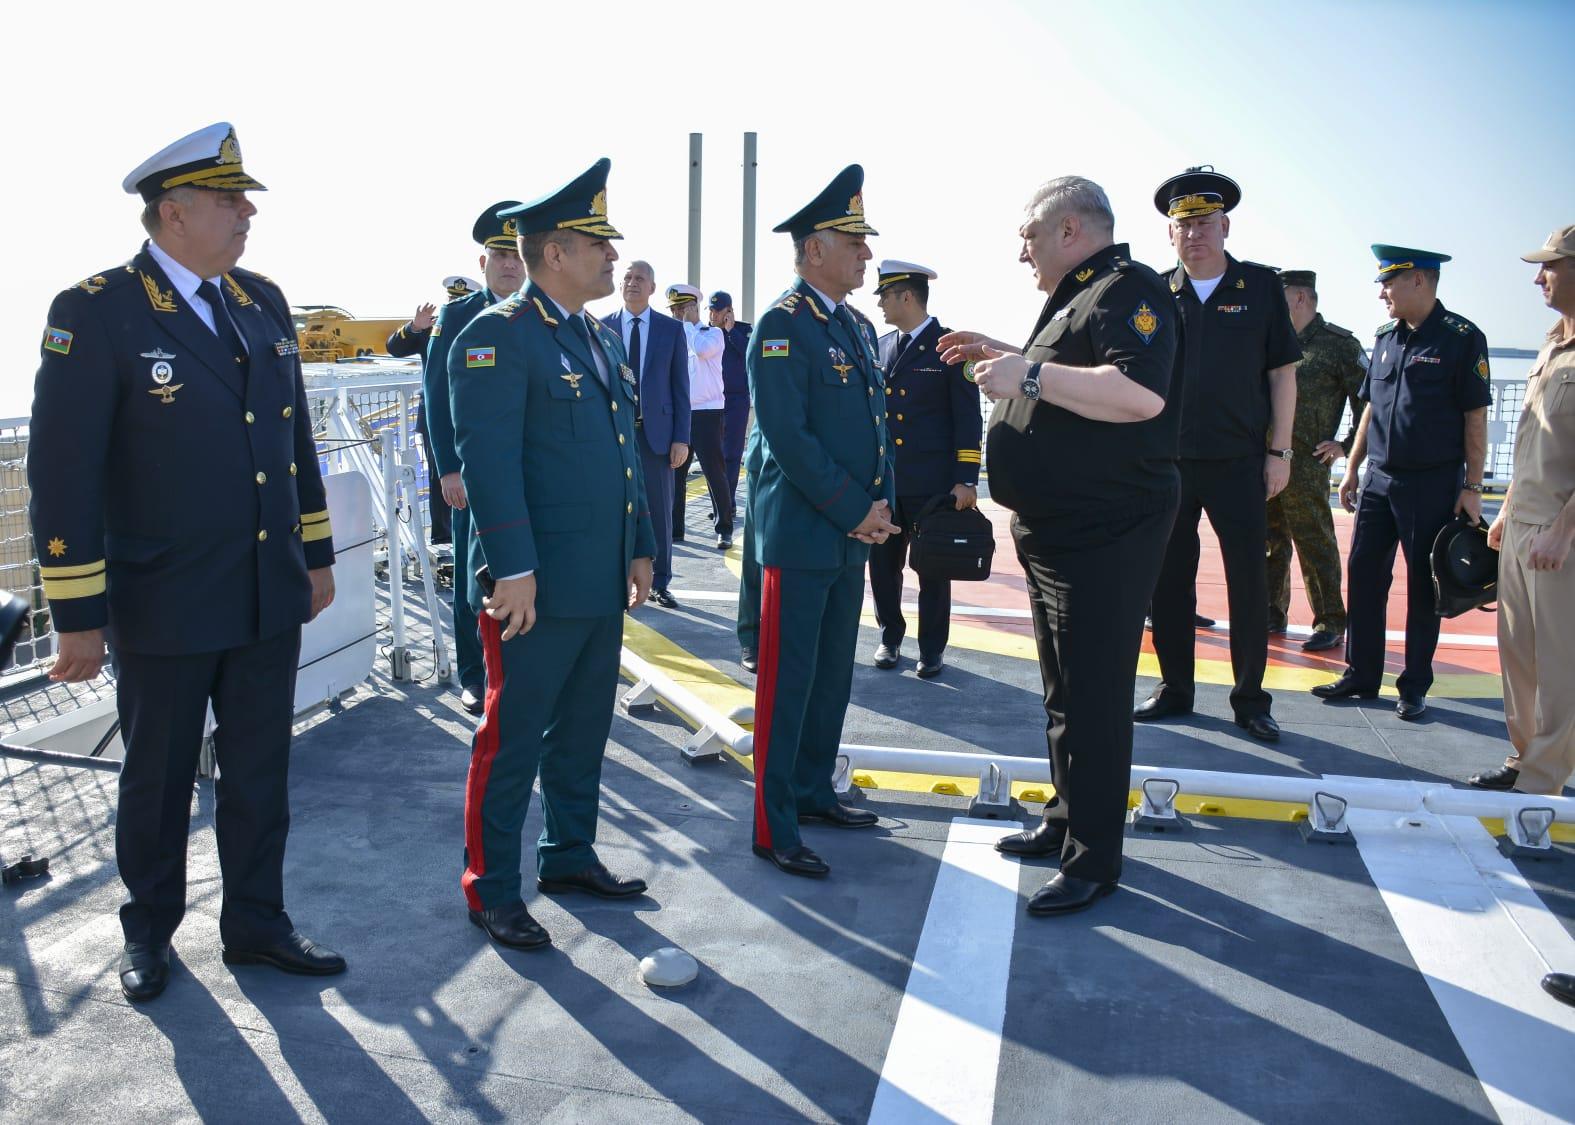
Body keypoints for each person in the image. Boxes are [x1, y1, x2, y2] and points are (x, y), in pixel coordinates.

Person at [29, 122, 344, 1001]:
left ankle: (256, 922)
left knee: (259, 772)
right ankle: (149, 934)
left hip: (262, 591)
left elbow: (295, 443)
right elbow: (62, 469)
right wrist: (78, 613)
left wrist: (314, 554)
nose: (246, 213)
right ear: (173, 213)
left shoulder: (260, 302)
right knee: (158, 779)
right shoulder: (96, 309)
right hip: (161, 597)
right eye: (228, 200)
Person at [942, 176, 1179, 916]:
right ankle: (1065, 820)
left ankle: (1092, 860)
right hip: (1056, 529)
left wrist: (1030, 373)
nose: (1022, 253)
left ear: (1070, 230)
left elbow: (1139, 394)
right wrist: (1009, 354)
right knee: (1062, 692)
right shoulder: (1081, 295)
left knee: (1095, 697)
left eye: (1029, 237)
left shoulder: (1125, 290)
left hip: (1103, 531)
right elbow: (1075, 382)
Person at [447, 158, 655, 951]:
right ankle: (492, 888)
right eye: (597, 244)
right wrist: (513, 570)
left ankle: (568, 855)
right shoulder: (496, 336)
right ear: (555, 253)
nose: (612, 257)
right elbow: (490, 461)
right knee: (511, 740)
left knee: (579, 734)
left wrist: (637, 548)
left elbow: (621, 455)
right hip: (531, 587)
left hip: (597, 580)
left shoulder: (592, 338)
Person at [748, 164, 898, 879]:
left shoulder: (858, 328)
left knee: (831, 675)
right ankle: (773, 824)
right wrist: (852, 509)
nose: (866, 254)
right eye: (854, 241)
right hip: (804, 534)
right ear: (813, 250)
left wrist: (878, 509)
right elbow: (789, 436)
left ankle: (810, 791)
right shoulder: (781, 325)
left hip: (848, 535)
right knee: (787, 682)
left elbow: (872, 426)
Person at [1136, 167, 1300, 743]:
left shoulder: (1259, 288)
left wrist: (1279, 452)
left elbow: (1282, 377)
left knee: (1248, 582)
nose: (1194, 234)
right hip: (1169, 461)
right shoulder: (1156, 293)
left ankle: (1251, 700)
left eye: (1204, 223)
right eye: (1183, 225)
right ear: (1170, 235)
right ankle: (1175, 687)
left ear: (1225, 226)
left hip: (1239, 462)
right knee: (1168, 580)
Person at [1313, 246, 1492, 720]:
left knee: (1422, 585)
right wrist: (1352, 469)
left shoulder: (1461, 338)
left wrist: (1472, 486)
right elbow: (1371, 406)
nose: (1381, 293)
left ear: (1419, 280)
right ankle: (1362, 674)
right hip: (1379, 479)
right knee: (1365, 575)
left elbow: (1475, 416)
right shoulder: (1385, 337)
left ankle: (1413, 685)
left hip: (1432, 483)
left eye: (1389, 283)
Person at [1472, 226, 1575, 793]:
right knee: (1519, 656)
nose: (1539, 278)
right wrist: (1508, 508)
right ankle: (1524, 758)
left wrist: (1562, 531)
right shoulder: (1551, 345)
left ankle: (1544, 779)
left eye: (1550, 267)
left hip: (1563, 532)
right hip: (1523, 525)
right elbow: (1531, 441)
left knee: (1562, 663)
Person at [419, 202, 525, 715]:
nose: (510, 264)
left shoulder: (538, 315)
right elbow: (435, 397)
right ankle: (472, 674)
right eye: (500, 254)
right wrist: (448, 468)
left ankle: (521, 674)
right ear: (482, 263)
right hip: (473, 475)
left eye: (516, 254)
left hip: (529, 473)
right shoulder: (457, 316)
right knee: (471, 576)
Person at [867, 260, 982, 678]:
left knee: (933, 567)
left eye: (885, 295)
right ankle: (889, 637)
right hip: (888, 482)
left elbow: (969, 418)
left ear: (907, 296)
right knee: (883, 565)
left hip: (933, 485)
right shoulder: (878, 347)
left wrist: (966, 479)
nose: (879, 303)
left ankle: (931, 649)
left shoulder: (948, 347)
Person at [1268, 269, 1366, 652]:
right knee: (1268, 542)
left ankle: (1329, 620)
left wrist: (1345, 445)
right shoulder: (1272, 340)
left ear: (1300, 298)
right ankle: (1270, 613)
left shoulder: (1338, 344)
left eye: (1281, 295)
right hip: (1266, 458)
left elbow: (1369, 399)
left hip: (1307, 464)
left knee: (1315, 543)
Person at [602, 261, 691, 608]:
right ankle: (619, 577)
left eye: (639, 279)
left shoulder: (670, 330)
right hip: (615, 436)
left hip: (657, 437)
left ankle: (661, 581)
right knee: (615, 508)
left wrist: (681, 437)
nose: (631, 283)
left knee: (660, 509)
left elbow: (681, 386)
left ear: (652, 287)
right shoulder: (602, 326)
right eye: (627, 277)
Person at [667, 284, 734, 549]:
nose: (677, 314)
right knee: (676, 472)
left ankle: (724, 528)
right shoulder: (673, 334)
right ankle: (675, 528)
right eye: (674, 309)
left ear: (693, 307)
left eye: (681, 308)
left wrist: (688, 324)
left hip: (708, 412)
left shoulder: (713, 334)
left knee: (713, 472)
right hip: (682, 412)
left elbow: (702, 351)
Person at [386, 298, 449, 544]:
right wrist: (414, 326)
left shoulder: (484, 324)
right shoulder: (433, 329)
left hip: (475, 414)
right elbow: (394, 348)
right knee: (440, 477)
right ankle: (444, 539)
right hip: (436, 415)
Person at [711, 290, 753, 516]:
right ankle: (719, 503)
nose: (713, 314)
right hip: (713, 401)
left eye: (718, 310)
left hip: (737, 400)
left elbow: (750, 354)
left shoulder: (744, 331)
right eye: (710, 309)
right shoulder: (707, 333)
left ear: (728, 312)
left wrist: (731, 331)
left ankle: (728, 503)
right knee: (714, 454)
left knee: (732, 453)